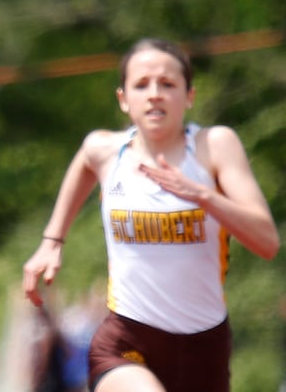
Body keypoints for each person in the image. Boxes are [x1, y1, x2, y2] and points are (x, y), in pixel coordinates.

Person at [22, 38, 279, 392]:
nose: (154, 93)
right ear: (124, 99)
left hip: (204, 346)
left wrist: (203, 196)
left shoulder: (214, 146)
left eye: (168, 84)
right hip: (127, 341)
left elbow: (267, 242)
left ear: (189, 95)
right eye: (141, 85)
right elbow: (85, 158)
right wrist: (53, 240)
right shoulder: (106, 150)